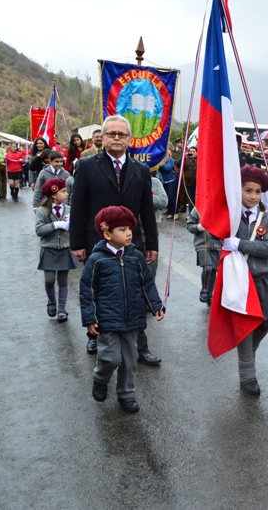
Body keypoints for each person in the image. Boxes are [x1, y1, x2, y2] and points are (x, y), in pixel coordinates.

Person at [69, 115, 162, 365]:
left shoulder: (141, 171)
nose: (117, 138)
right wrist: (77, 243)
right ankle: (95, 335)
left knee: (136, 294)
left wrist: (151, 245)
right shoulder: (86, 166)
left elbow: (146, 211)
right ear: (103, 137)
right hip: (96, 243)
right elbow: (77, 207)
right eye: (112, 134)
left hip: (133, 244)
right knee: (99, 291)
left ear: (129, 139)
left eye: (122, 134)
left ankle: (140, 346)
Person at [81, 206, 164, 413]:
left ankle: (126, 395)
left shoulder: (135, 257)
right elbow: (87, 291)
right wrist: (89, 318)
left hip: (133, 318)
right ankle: (100, 378)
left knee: (129, 360)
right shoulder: (96, 260)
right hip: (107, 319)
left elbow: (147, 282)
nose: (128, 233)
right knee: (110, 357)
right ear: (107, 233)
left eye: (130, 228)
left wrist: (156, 305)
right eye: (122, 229)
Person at [221, 166, 268, 395]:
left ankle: (248, 353)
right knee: (245, 326)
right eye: (248, 190)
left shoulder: (267, 218)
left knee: (265, 322)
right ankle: (247, 374)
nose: (253, 196)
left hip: (261, 277)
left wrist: (240, 244)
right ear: (239, 190)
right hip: (237, 278)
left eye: (257, 192)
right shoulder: (231, 215)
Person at [35, 178, 79, 322]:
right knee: (49, 280)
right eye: (63, 191)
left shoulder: (69, 209)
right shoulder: (42, 211)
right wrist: (56, 225)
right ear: (54, 194)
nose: (66, 194)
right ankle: (52, 302)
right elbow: (39, 230)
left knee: (62, 281)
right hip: (49, 249)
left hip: (64, 249)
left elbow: (75, 229)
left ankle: (62, 309)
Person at [186, 207, 222, 304]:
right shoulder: (197, 209)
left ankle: (210, 296)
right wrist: (198, 227)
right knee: (208, 268)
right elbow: (189, 225)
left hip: (218, 245)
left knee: (213, 270)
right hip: (202, 245)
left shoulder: (221, 208)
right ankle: (204, 290)